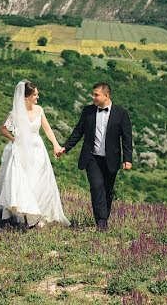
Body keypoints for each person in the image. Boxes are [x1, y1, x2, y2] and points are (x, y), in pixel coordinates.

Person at [0, 81, 69, 228]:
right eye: (35, 95)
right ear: (26, 97)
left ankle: (38, 213)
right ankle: (24, 215)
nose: (37, 98)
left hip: (37, 149)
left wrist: (56, 145)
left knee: (38, 180)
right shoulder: (16, 113)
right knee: (24, 181)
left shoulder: (39, 110)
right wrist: (14, 139)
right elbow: (3, 129)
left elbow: (47, 129)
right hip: (21, 150)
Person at [56, 81, 132, 231]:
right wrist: (65, 147)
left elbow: (127, 137)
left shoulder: (121, 113)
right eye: (93, 94)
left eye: (96, 95)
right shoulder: (88, 111)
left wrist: (127, 159)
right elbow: (78, 131)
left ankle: (103, 217)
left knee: (108, 190)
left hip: (111, 159)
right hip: (92, 158)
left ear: (106, 95)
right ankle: (101, 222)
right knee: (96, 187)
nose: (93, 97)